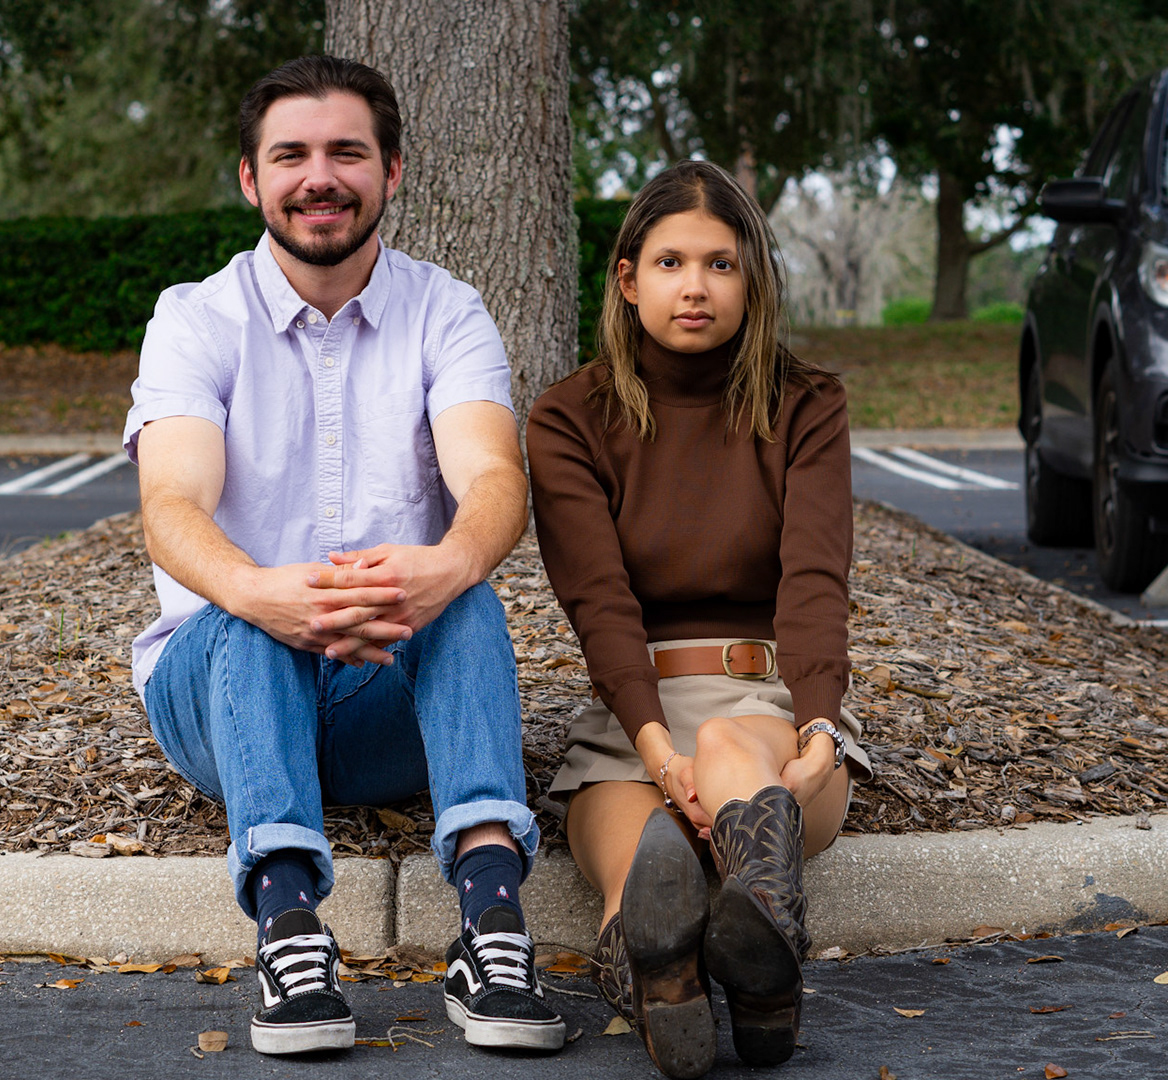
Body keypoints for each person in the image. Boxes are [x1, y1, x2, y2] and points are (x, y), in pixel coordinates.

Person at [122, 55, 565, 1057]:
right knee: (246, 614)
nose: (318, 177)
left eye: (346, 153)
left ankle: (493, 929)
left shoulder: (446, 311)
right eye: (291, 155)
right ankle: (289, 932)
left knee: (466, 594)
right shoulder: (196, 318)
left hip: (381, 697)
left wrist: (450, 563)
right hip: (220, 698)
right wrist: (263, 593)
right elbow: (172, 507)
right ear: (252, 179)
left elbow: (495, 478)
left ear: (391, 171)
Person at [526, 159, 874, 1077]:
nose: (695, 287)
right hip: (632, 722)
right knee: (643, 868)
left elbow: (814, 581)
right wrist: (654, 751)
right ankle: (677, 989)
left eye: (721, 264)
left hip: (769, 710)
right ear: (627, 278)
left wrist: (820, 734)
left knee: (725, 747)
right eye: (671, 263)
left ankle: (763, 952)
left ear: (752, 279)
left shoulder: (806, 404)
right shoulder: (569, 417)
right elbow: (600, 604)